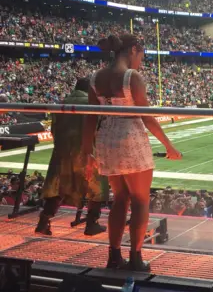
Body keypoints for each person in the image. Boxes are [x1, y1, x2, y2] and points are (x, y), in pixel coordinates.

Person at [82, 34, 182, 271]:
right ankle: (136, 257)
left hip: (106, 136)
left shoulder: (96, 77)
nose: (141, 61)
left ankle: (114, 256)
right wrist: (169, 145)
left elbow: (89, 118)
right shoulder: (131, 77)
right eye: (141, 55)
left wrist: (87, 152)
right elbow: (146, 116)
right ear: (134, 50)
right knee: (140, 200)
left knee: (120, 199)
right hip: (130, 136)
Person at [35, 77, 108, 236]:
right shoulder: (92, 104)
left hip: (61, 152)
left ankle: (43, 221)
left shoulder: (60, 103)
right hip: (86, 152)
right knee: (97, 188)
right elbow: (99, 129)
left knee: (57, 188)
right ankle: (91, 223)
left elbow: (53, 130)